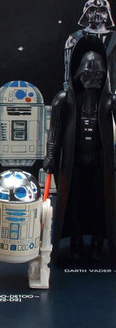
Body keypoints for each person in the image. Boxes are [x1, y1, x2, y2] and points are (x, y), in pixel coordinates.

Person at [43, 36, 116, 265]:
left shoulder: (110, 102)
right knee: (70, 204)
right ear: (77, 74)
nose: (92, 81)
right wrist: (51, 156)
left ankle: (97, 243)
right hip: (72, 164)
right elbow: (55, 133)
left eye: (97, 76)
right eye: (87, 75)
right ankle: (74, 241)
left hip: (99, 164)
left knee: (100, 203)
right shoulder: (64, 101)